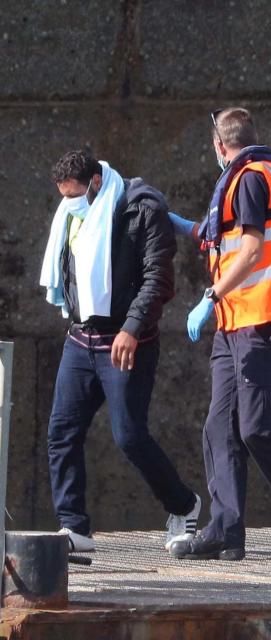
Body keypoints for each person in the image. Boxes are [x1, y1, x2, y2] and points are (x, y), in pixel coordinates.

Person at [166, 107, 271, 561]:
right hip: (237, 322)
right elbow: (231, 237)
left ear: (221, 146)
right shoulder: (266, 173)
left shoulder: (251, 179)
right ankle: (225, 530)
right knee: (219, 424)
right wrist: (189, 227)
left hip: (260, 318)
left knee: (256, 427)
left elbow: (253, 249)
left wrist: (211, 295)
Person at [40, 149, 201, 553]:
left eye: (75, 195)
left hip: (127, 341)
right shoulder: (73, 213)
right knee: (61, 432)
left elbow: (158, 279)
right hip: (80, 338)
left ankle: (185, 505)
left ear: (95, 182)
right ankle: (73, 527)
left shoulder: (142, 207)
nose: (69, 204)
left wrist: (131, 328)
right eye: (64, 197)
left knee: (129, 435)